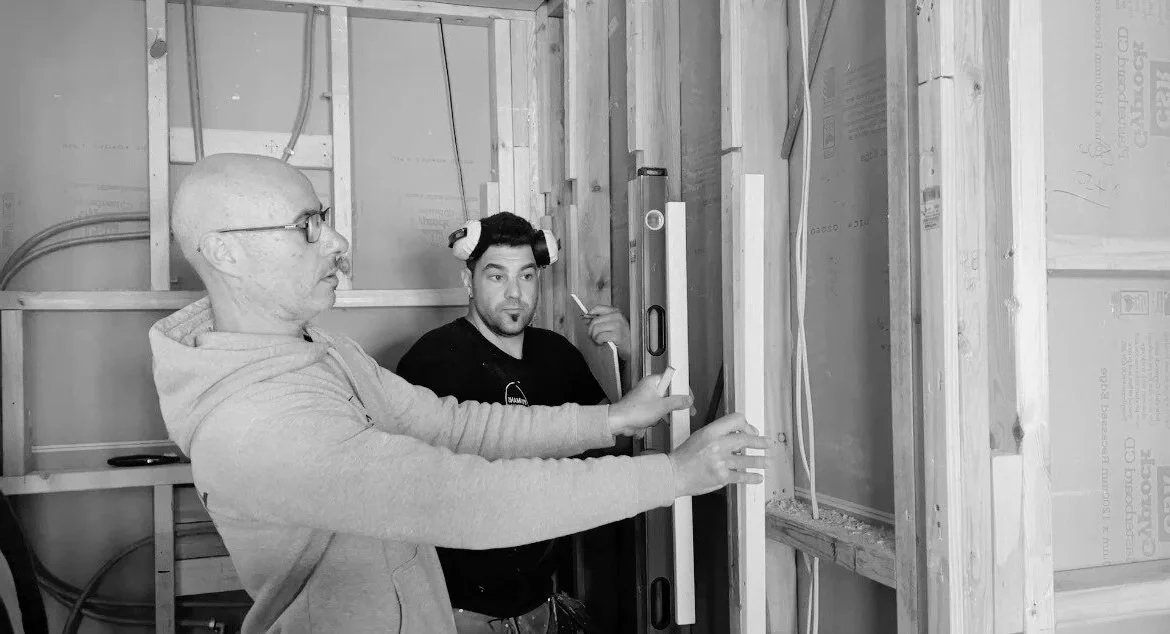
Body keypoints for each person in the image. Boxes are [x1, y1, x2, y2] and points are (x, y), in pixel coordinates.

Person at [147, 153, 769, 633]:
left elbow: (456, 425)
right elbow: (465, 498)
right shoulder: (256, 422)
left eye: (325, 219)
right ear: (225, 251)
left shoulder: (322, 353)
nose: (335, 242)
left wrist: (610, 419)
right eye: (307, 226)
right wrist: (675, 475)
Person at [396, 212, 634, 633]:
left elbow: (617, 441)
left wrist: (629, 354)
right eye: (496, 276)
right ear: (468, 282)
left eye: (526, 276)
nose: (514, 293)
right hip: (458, 611)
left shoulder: (558, 354)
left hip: (539, 602)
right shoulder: (432, 361)